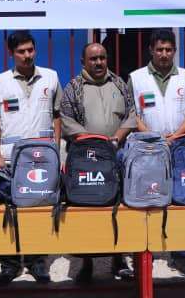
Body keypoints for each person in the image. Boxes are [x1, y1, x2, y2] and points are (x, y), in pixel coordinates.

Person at [0, 30, 62, 287]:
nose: (27, 55)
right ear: (11, 53)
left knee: (38, 210)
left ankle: (37, 261)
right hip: (10, 159)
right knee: (8, 211)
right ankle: (9, 264)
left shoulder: (51, 77)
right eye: (21, 51)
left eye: (30, 50)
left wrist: (55, 150)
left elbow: (57, 116)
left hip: (42, 158)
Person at [61, 42, 136, 283]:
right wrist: (92, 142)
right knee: (86, 211)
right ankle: (86, 262)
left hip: (116, 156)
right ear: (83, 62)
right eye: (93, 59)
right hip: (86, 159)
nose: (99, 62)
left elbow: (131, 115)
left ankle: (118, 259)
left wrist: (116, 138)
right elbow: (66, 120)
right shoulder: (73, 87)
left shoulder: (119, 83)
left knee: (118, 208)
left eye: (102, 57)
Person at [127, 29, 185, 276]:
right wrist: (153, 139)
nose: (164, 54)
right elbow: (132, 114)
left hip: (179, 146)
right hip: (147, 149)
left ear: (174, 51)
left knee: (180, 200)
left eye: (168, 49)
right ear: (151, 50)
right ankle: (146, 255)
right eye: (159, 49)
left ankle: (181, 255)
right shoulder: (137, 78)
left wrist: (175, 137)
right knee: (147, 200)